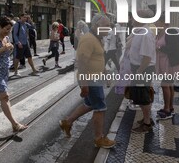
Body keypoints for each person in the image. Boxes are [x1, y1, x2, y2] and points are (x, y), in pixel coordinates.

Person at [59, 14, 116, 149]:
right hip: (90, 79)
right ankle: (99, 138)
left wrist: (105, 73)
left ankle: (67, 122)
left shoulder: (97, 38)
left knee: (90, 104)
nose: (109, 29)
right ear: (97, 26)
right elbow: (82, 63)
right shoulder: (88, 40)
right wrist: (84, 85)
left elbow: (97, 59)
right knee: (100, 108)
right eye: (106, 26)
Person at [0, 17, 27, 132]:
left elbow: (6, 53)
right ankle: (15, 124)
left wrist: (10, 48)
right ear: (0, 27)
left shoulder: (6, 38)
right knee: (5, 97)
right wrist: (3, 49)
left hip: (3, 72)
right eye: (6, 29)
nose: (8, 31)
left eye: (10, 29)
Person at [129, 10, 156, 133]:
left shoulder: (145, 34)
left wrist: (139, 72)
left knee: (143, 96)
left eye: (134, 18)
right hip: (139, 68)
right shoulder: (140, 32)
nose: (131, 20)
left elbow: (147, 57)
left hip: (143, 69)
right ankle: (147, 118)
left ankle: (147, 123)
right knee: (140, 95)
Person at [154, 13, 179, 119]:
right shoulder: (161, 32)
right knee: (169, 85)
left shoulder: (171, 31)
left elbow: (173, 48)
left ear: (162, 22)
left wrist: (159, 48)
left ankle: (167, 109)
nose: (154, 23)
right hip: (164, 62)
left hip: (170, 63)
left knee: (165, 85)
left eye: (156, 21)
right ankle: (170, 107)